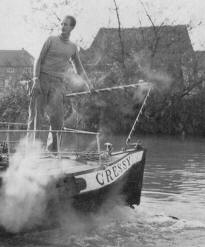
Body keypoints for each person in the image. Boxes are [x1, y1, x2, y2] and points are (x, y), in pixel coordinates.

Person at [27, 15, 93, 152]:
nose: (63, 27)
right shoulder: (51, 40)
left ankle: (53, 153)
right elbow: (38, 60)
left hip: (58, 85)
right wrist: (35, 80)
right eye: (62, 24)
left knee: (57, 120)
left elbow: (79, 68)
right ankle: (33, 154)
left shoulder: (73, 47)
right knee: (36, 118)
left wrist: (88, 85)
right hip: (42, 80)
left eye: (66, 25)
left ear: (72, 27)